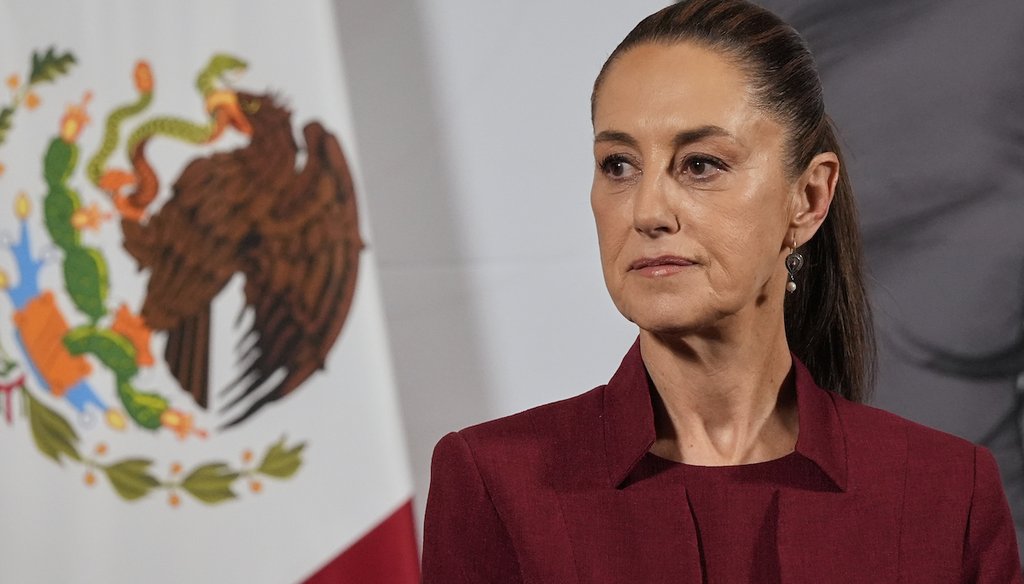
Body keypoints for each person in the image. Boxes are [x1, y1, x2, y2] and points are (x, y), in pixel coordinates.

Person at [420, 1, 1023, 581]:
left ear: (809, 198)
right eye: (619, 165)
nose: (647, 210)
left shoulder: (947, 490)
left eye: (701, 164)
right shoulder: (493, 482)